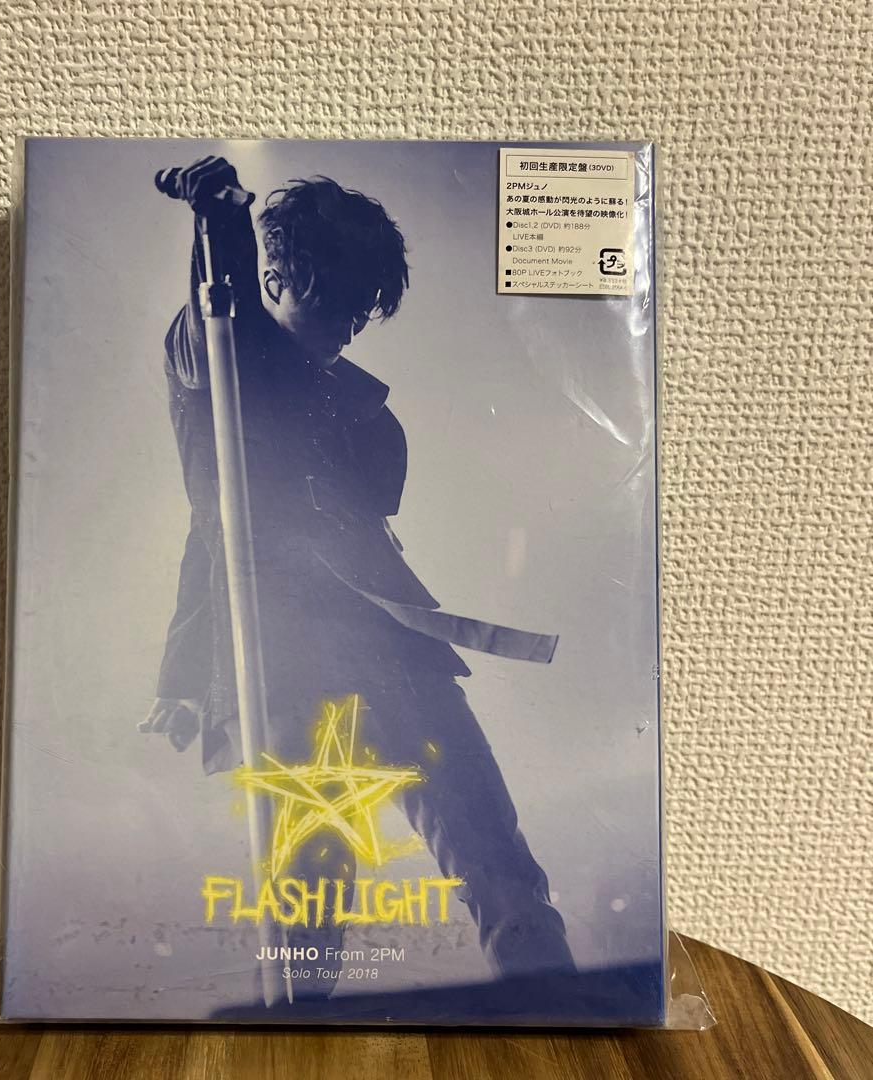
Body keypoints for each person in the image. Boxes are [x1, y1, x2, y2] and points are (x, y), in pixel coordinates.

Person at [142, 155, 574, 996]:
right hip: (288, 661)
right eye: (335, 296)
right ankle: (297, 1042)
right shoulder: (214, 346)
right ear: (277, 278)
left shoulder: (345, 397)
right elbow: (225, 324)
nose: (350, 321)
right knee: (310, 894)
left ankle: (559, 1016)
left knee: (496, 857)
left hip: (396, 652)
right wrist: (221, 221)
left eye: (361, 303)